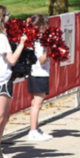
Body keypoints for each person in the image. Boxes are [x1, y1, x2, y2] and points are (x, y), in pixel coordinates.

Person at [0, 5, 26, 146]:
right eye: (6, 14)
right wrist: (21, 45)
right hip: (1, 79)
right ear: (1, 18)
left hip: (0, 78)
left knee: (5, 116)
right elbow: (12, 60)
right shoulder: (0, 37)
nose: (9, 16)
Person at [24, 14, 54, 142]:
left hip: (34, 73)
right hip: (39, 73)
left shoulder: (34, 39)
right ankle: (33, 131)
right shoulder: (40, 41)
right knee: (37, 104)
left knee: (34, 103)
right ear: (42, 27)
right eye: (46, 26)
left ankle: (35, 128)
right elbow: (41, 60)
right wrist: (50, 50)